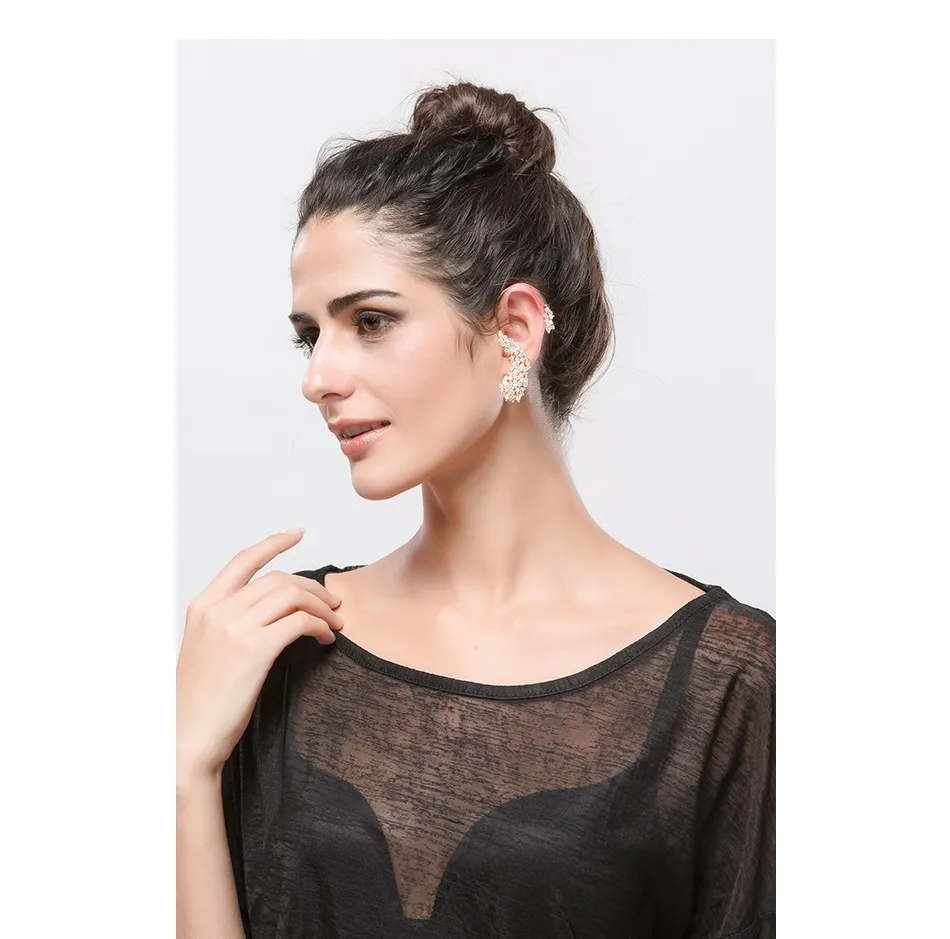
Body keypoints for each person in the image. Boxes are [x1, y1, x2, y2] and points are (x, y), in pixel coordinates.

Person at [176, 80, 775, 939]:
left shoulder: (729, 683)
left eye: (370, 321)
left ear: (515, 329)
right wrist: (184, 767)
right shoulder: (279, 644)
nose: (318, 378)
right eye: (311, 335)